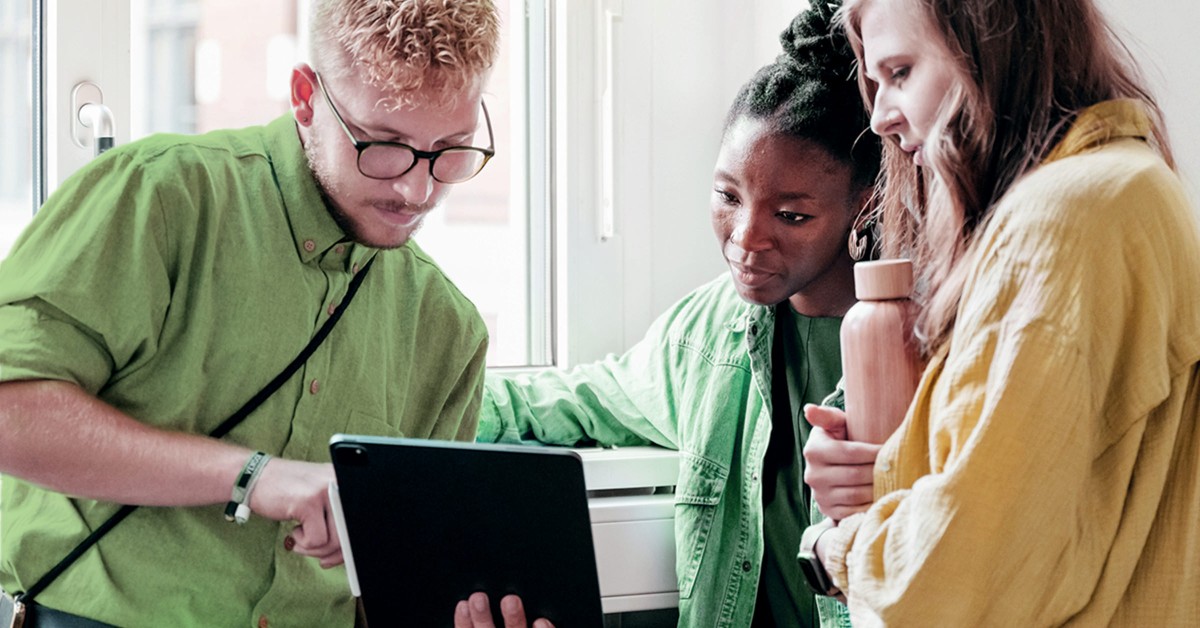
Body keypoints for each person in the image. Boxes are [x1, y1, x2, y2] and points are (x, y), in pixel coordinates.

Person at [0, 0, 497, 625]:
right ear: (305, 97)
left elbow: (416, 571)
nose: (417, 191)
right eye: (384, 144)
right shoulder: (159, 196)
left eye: (451, 149)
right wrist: (254, 477)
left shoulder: (448, 328)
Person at [471, 3, 881, 627]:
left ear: (863, 203)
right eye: (727, 196)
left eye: (791, 216)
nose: (745, 239)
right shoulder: (709, 332)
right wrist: (404, 399)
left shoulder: (919, 342)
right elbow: (570, 400)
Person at [800, 0, 1200, 625]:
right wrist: (883, 473)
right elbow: (1051, 491)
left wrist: (829, 553)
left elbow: (964, 569)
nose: (878, 117)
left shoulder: (1062, 219)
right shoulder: (1130, 188)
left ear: (989, 49)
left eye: (900, 72)